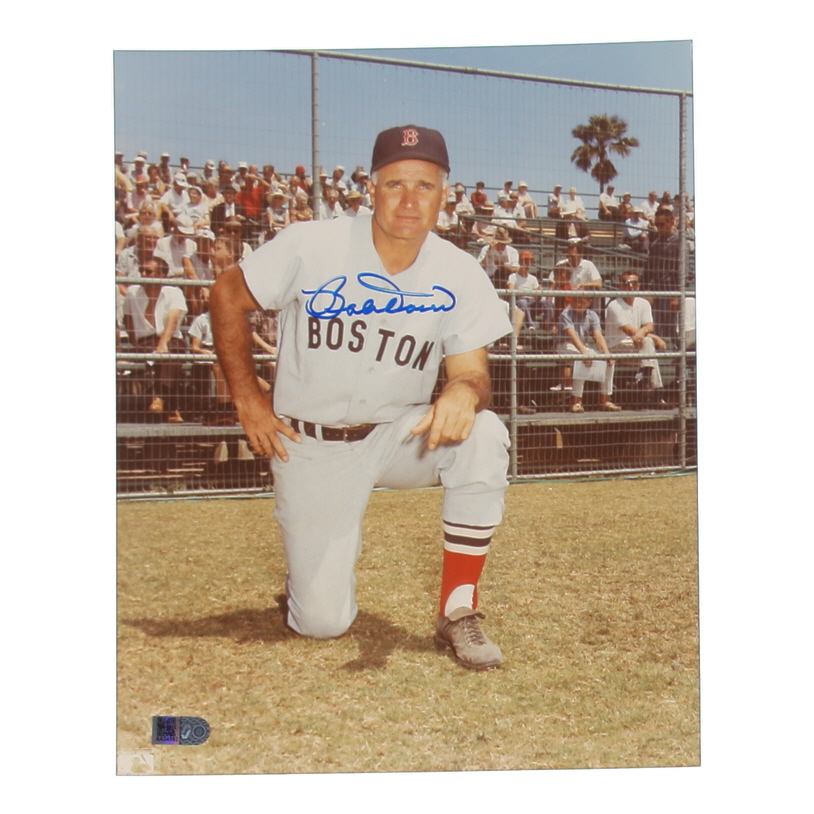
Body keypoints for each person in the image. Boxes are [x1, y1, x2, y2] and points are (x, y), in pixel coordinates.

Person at [210, 124, 512, 670]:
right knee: (323, 624)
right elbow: (226, 294)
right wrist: (247, 398)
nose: (409, 199)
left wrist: (463, 393)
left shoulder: (459, 271)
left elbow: (471, 372)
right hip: (311, 441)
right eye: (395, 183)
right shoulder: (312, 243)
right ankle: (304, 580)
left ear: (444, 194)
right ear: (369, 189)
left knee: (483, 432)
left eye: (424, 185)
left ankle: (458, 610)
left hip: (398, 432)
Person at [122, 255, 188, 423]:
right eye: (142, 270)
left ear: (162, 275)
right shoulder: (132, 292)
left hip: (171, 338)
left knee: (170, 354)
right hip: (145, 340)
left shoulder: (174, 292)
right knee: (168, 358)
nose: (144, 274)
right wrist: (135, 342)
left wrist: (163, 343)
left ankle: (159, 397)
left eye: (149, 271)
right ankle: (172, 407)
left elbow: (173, 320)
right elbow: (128, 319)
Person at [604, 270, 666, 396]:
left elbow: (649, 325)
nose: (630, 286)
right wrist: (654, 337)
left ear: (638, 285)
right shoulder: (614, 305)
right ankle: (656, 393)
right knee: (649, 346)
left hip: (636, 344)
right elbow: (628, 330)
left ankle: (646, 384)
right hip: (615, 346)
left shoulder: (644, 303)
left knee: (649, 349)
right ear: (620, 286)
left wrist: (643, 333)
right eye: (626, 283)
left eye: (634, 283)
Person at [557, 295, 620, 413]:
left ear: (589, 303)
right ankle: (576, 401)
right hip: (564, 345)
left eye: (582, 302)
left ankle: (605, 400)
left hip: (581, 346)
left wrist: (607, 354)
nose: (578, 304)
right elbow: (572, 336)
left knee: (608, 360)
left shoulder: (592, 315)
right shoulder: (566, 314)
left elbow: (598, 336)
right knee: (582, 358)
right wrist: (584, 352)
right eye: (576, 300)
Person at [643, 207, 686, 342]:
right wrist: (645, 290)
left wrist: (677, 296)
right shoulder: (655, 244)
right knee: (657, 328)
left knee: (674, 329)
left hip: (671, 292)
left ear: (671, 222)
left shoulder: (679, 242)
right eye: (657, 225)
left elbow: (682, 272)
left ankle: (678, 359)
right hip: (657, 292)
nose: (659, 228)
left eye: (661, 224)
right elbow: (648, 270)